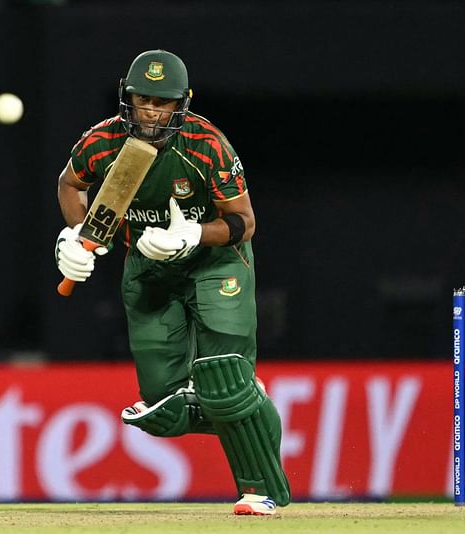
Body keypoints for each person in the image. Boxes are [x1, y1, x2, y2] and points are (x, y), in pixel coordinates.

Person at [54, 49, 290, 515]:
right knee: (162, 402)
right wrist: (77, 232)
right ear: (129, 97)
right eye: (144, 100)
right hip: (147, 266)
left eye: (162, 103)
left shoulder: (208, 145)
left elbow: (245, 221)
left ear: (183, 102)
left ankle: (260, 491)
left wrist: (194, 233)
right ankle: (248, 405)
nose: (151, 112)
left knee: (224, 372)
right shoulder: (101, 142)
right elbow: (69, 184)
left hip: (215, 263)